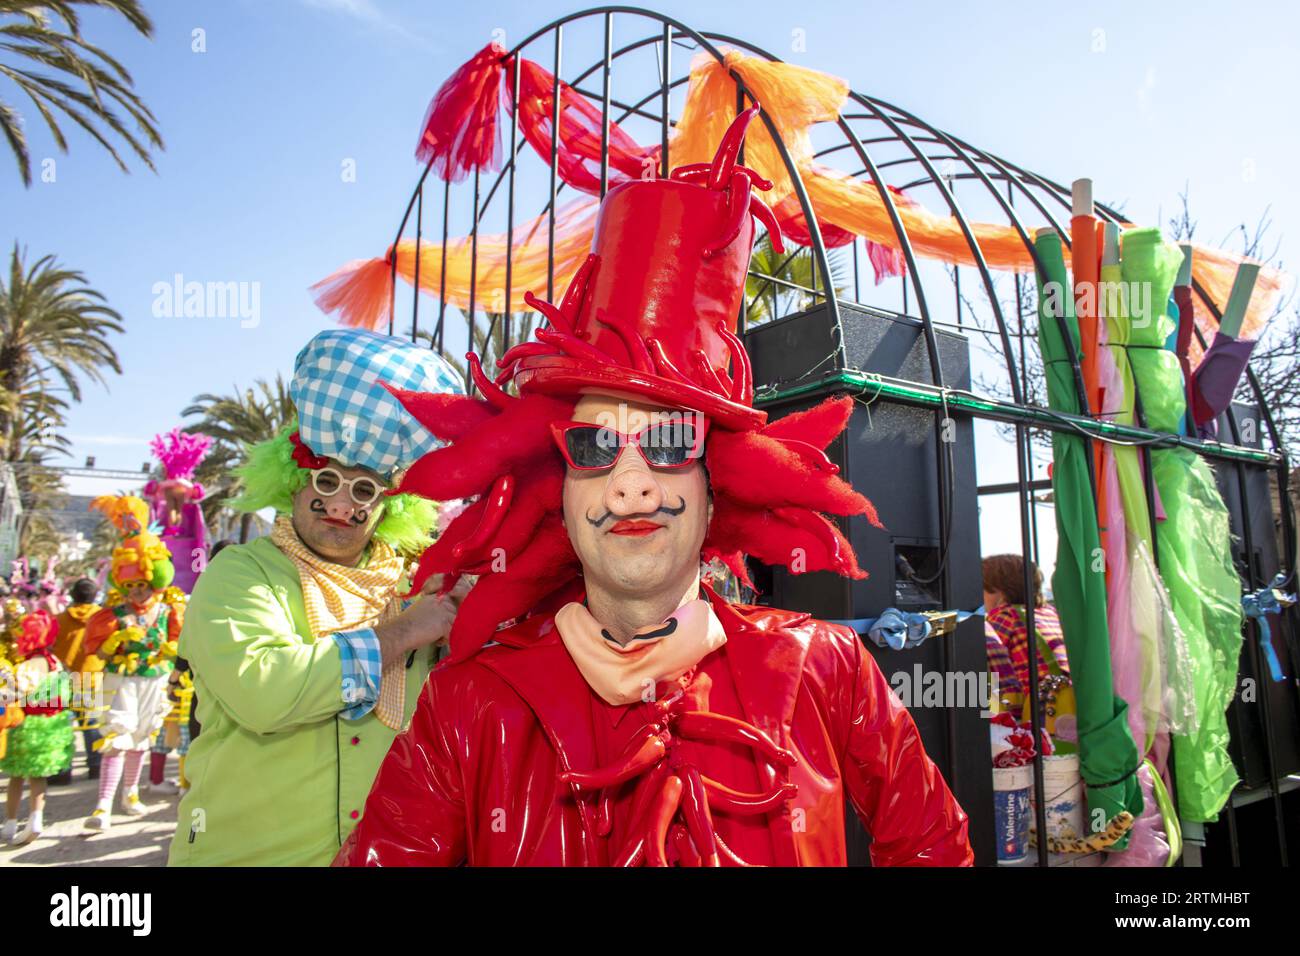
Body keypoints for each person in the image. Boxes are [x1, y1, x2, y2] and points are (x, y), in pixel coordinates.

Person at [336, 107, 972, 867]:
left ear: (715, 488)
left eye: (671, 442)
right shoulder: (470, 705)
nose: (632, 485)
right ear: (559, 495)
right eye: (594, 446)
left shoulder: (826, 665)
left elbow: (933, 846)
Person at [168, 329, 467, 866]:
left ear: (389, 504)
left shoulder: (415, 590)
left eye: (364, 490)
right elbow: (266, 692)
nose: (341, 504)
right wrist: (404, 634)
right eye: (326, 481)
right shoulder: (239, 575)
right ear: (293, 480)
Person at [80, 503, 186, 831]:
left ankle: (130, 794)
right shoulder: (112, 614)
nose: (137, 590)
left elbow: (179, 645)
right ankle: (102, 805)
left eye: (142, 584)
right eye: (131, 585)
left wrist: (171, 652)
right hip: (122, 680)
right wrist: (118, 638)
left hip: (154, 681)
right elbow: (96, 648)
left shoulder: (169, 611)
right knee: (116, 736)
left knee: (142, 736)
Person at [1, 609, 74, 844]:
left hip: (27, 726)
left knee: (16, 776)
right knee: (38, 777)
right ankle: (36, 818)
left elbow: (19, 692)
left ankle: (10, 823)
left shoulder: (30, 664)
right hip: (51, 724)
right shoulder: (55, 661)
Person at [982, 553, 1071, 702]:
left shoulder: (1005, 616)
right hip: (1069, 699)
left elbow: (982, 657)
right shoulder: (1051, 613)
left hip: (1038, 705)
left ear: (1000, 592)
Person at [145, 427, 214, 594]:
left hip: (184, 563)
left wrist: (200, 564)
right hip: (169, 563)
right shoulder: (163, 509)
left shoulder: (190, 511)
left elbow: (200, 540)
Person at [49, 577, 104, 783]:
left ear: (72, 595)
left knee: (63, 726)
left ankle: (62, 770)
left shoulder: (59, 619)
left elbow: (52, 645)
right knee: (91, 725)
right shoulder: (102, 618)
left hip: (62, 678)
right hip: (91, 677)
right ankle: (96, 766)